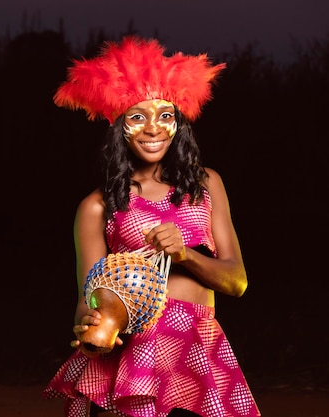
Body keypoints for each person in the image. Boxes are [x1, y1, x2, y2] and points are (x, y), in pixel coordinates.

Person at [43, 36, 261, 417]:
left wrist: (185, 255)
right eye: (137, 117)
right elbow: (87, 300)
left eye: (164, 115)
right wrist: (93, 328)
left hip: (198, 345)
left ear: (177, 122)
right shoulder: (97, 206)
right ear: (118, 126)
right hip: (135, 352)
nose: (152, 128)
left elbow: (237, 282)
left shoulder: (206, 184)